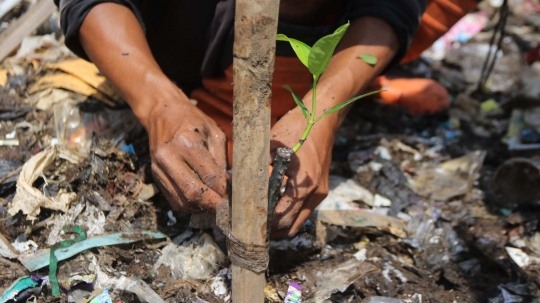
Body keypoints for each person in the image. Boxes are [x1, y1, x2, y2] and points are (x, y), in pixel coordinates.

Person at [53, 0, 478, 238]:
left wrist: (322, 115)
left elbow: (396, 5)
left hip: (327, 25)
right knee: (223, 160)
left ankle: (347, 74)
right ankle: (206, 84)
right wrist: (158, 101)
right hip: (178, 30)